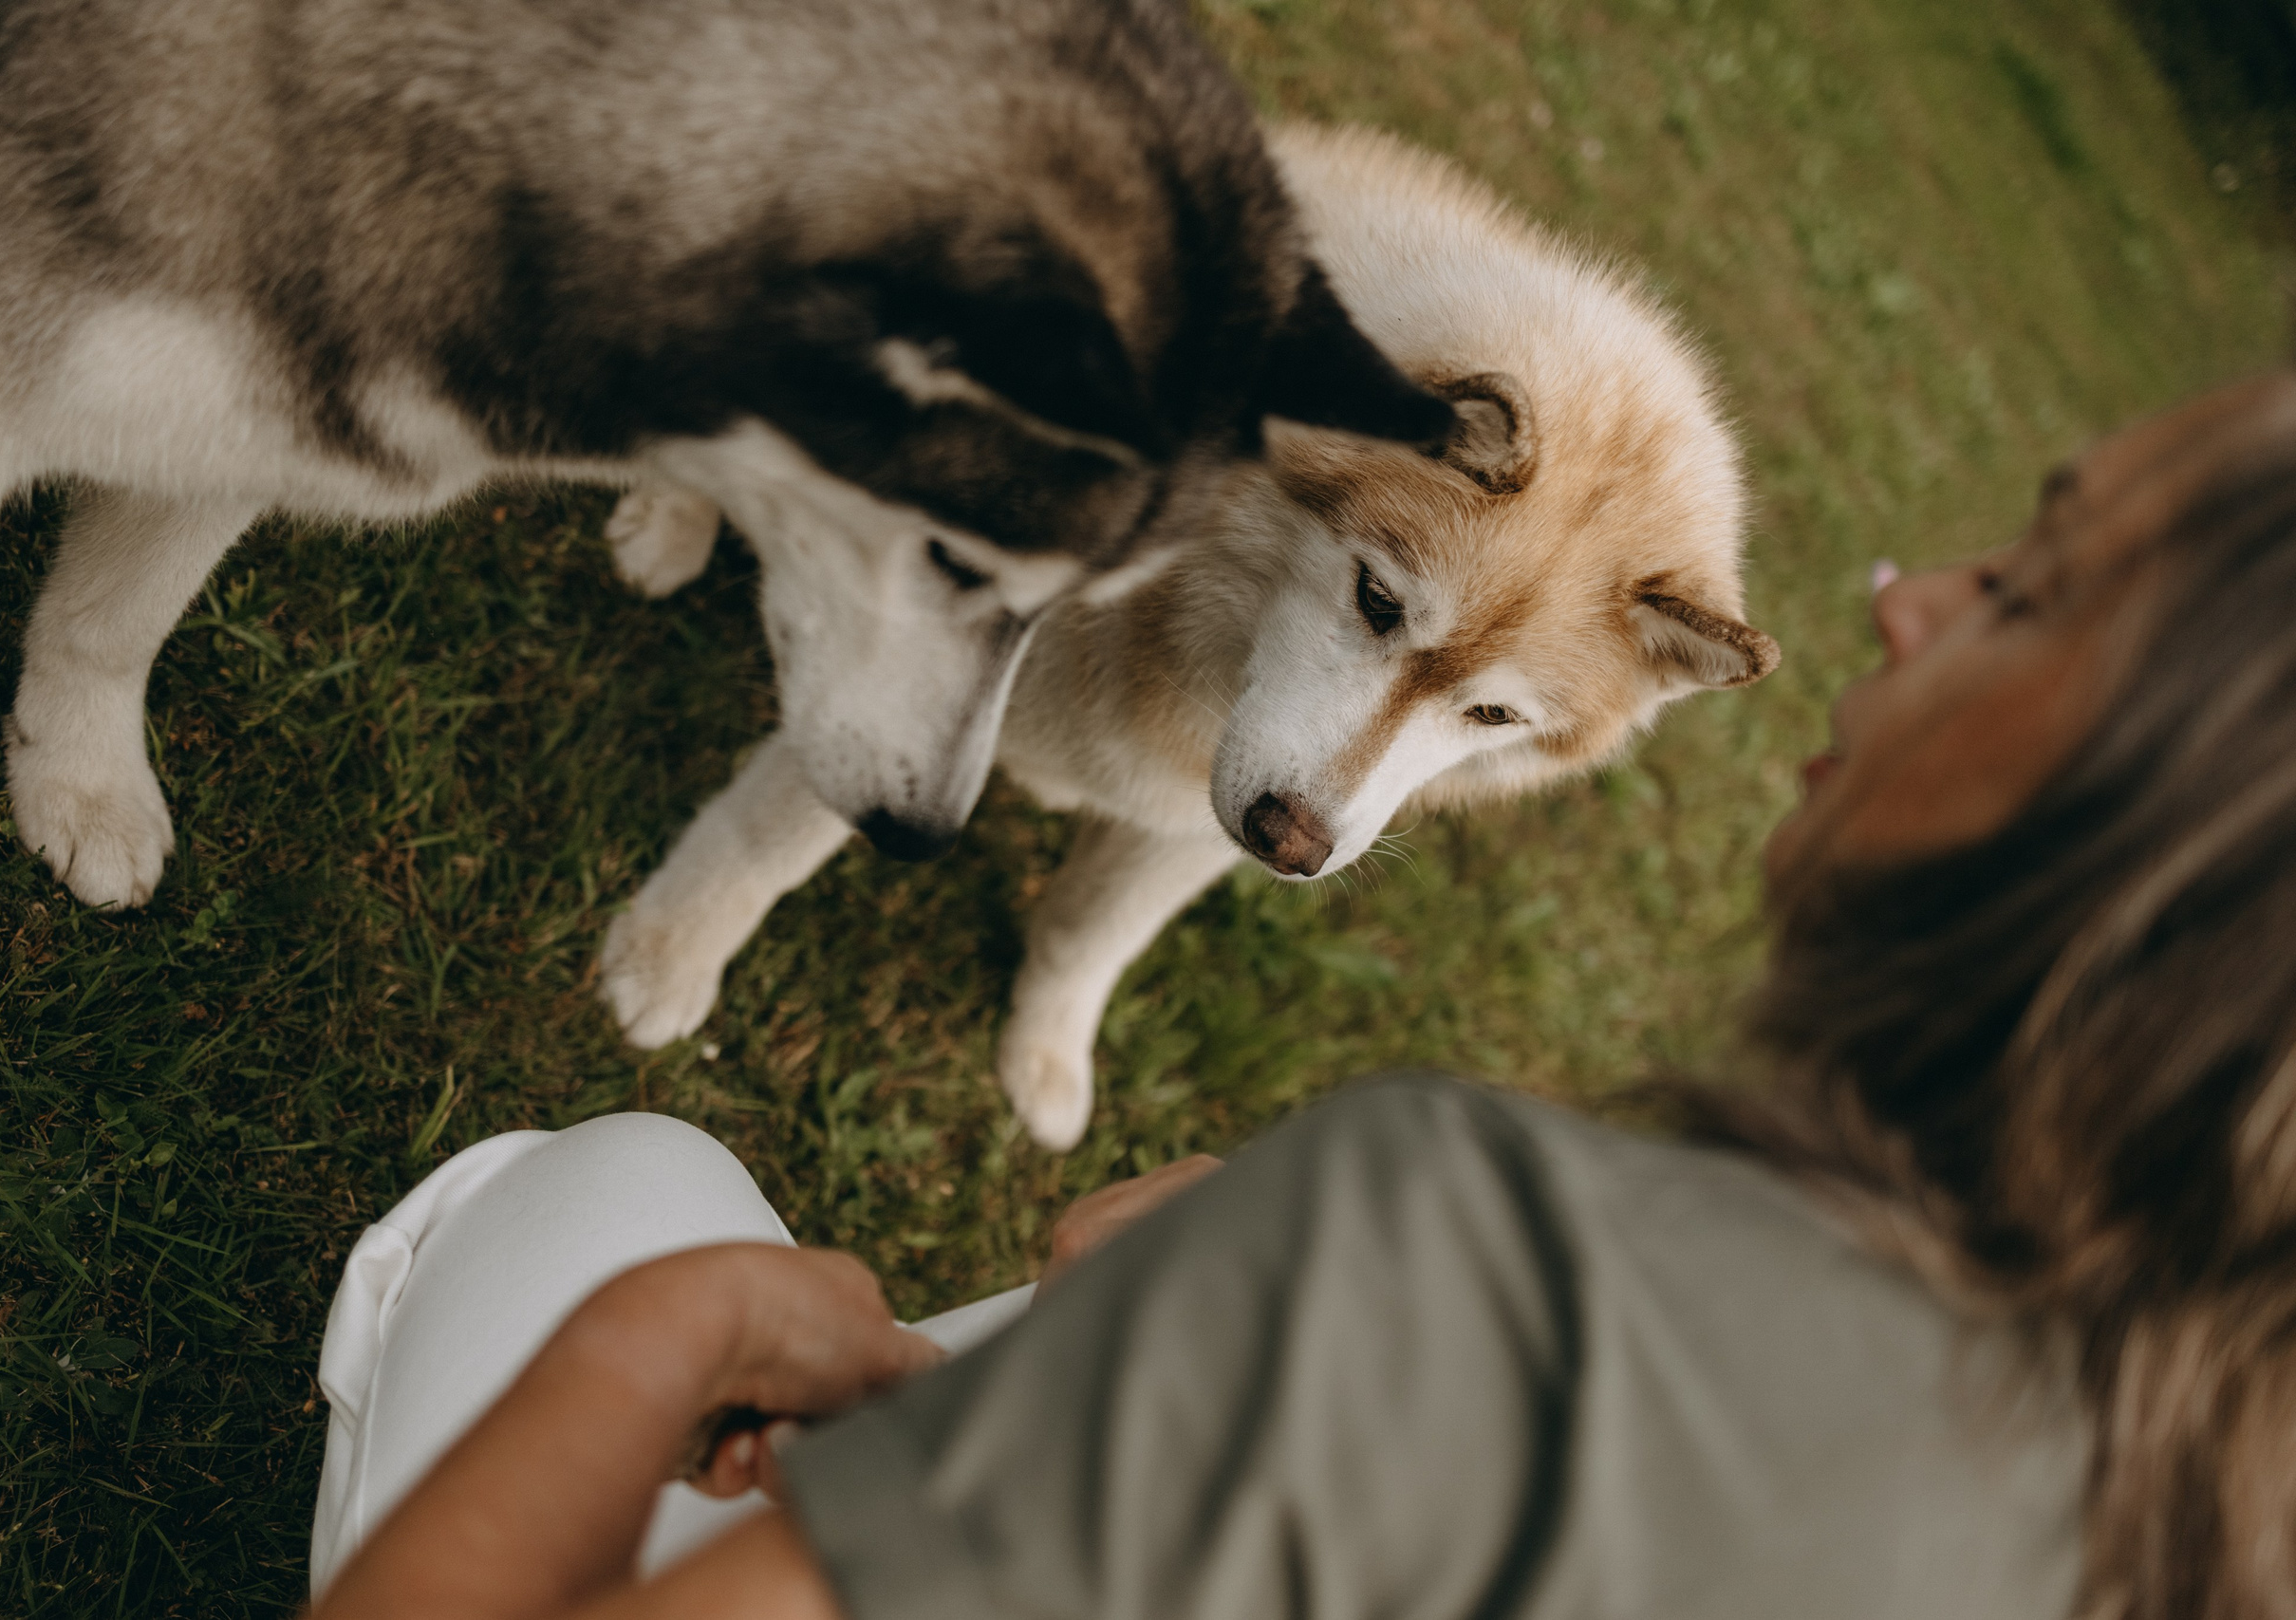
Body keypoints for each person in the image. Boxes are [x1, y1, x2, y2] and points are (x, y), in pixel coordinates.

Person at [307, 374, 2296, 1620]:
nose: (1903, 593)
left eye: (2027, 586)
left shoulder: (1472, 1263)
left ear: (2150, 858)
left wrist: (669, 1335)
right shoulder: (2204, 1515)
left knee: (599, 1201)